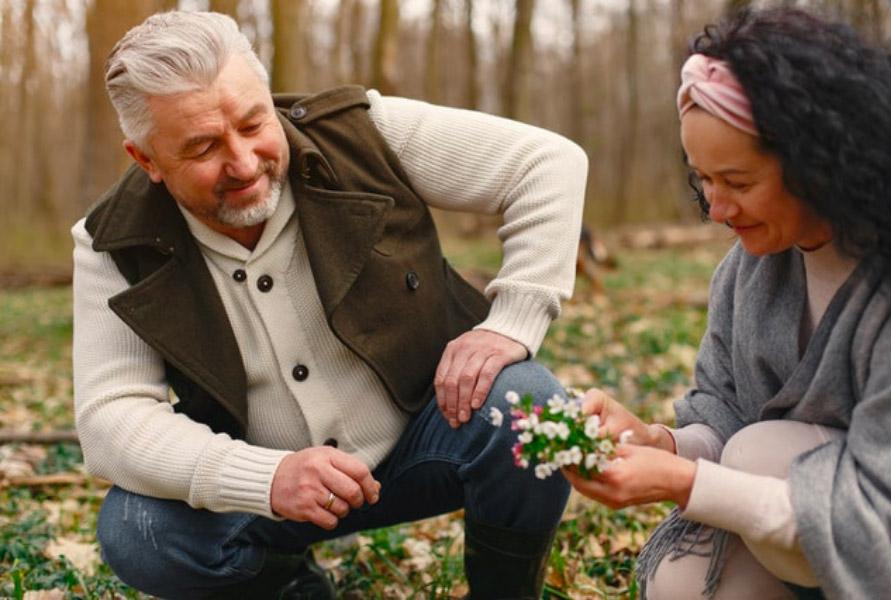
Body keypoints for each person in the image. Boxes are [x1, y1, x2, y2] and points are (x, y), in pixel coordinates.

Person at [72, 10, 586, 599]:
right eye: (203, 147)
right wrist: (267, 478)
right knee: (139, 533)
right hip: (266, 496)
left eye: (252, 122)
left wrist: (513, 321)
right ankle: (290, 587)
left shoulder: (362, 135)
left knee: (535, 407)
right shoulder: (112, 242)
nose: (243, 163)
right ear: (146, 160)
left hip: (428, 441)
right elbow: (111, 419)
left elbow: (548, 164)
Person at [563, 8, 891, 599]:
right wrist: (656, 443)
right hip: (795, 529)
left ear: (819, 164)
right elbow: (721, 414)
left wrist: (686, 482)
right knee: (681, 584)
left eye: (738, 183)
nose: (716, 209)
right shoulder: (747, 273)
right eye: (703, 180)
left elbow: (883, 512)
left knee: (757, 455)